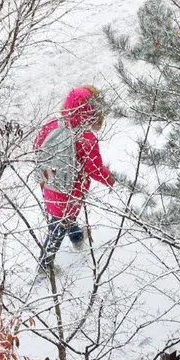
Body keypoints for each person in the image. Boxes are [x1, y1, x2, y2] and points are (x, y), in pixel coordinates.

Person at [34, 86, 114, 273]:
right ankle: (45, 266)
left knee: (62, 216)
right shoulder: (85, 137)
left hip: (50, 182)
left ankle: (77, 237)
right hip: (71, 190)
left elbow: (37, 146)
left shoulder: (51, 125)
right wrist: (109, 179)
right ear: (91, 112)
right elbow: (94, 168)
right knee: (58, 226)